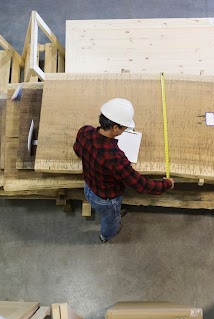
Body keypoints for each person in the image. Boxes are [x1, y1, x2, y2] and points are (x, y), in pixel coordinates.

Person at [73, 98, 174, 243]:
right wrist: (167, 184)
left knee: (106, 213)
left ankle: (108, 220)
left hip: (88, 188)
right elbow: (142, 185)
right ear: (115, 127)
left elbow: (77, 150)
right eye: (124, 128)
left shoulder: (85, 131)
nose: (125, 130)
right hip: (107, 200)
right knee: (111, 219)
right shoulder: (115, 158)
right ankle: (107, 235)